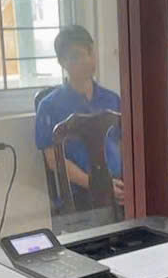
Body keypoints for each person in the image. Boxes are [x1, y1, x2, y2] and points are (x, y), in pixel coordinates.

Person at [34, 25, 123, 209]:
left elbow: (126, 144)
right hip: (80, 195)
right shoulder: (49, 106)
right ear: (62, 62)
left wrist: (131, 183)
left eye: (89, 52)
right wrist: (98, 186)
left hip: (120, 185)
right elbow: (53, 160)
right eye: (76, 56)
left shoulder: (112, 99)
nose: (87, 60)